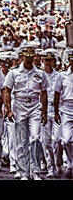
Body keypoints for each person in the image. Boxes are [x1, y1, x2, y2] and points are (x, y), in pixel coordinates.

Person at [3, 43, 48, 180]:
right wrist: (9, 109)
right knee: (21, 141)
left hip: (34, 105)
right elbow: (7, 91)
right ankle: (23, 172)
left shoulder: (40, 73)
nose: (28, 59)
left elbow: (44, 93)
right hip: (19, 105)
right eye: (26, 56)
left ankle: (34, 171)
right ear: (22, 56)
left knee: (35, 138)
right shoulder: (14, 72)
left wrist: (44, 111)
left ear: (34, 57)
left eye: (31, 56)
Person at [40, 49, 61, 178]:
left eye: (50, 60)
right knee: (46, 141)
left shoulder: (59, 75)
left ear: (54, 61)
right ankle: (50, 166)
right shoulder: (39, 75)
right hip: (43, 111)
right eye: (46, 60)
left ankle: (58, 165)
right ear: (43, 61)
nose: (48, 63)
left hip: (56, 110)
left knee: (57, 139)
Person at [54, 48, 73, 179]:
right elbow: (56, 94)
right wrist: (56, 112)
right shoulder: (62, 75)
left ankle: (71, 165)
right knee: (66, 140)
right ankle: (71, 162)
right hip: (67, 108)